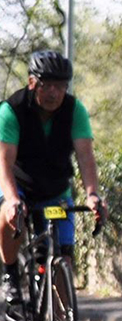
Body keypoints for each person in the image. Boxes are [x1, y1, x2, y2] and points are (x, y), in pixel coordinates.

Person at [0, 50, 107, 305]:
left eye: (60, 86)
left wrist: (92, 194)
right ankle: (10, 275)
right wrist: (14, 200)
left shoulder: (74, 110)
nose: (53, 93)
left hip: (55, 189)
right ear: (32, 83)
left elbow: (85, 157)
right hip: (19, 183)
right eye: (47, 85)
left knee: (63, 258)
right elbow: (4, 162)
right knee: (9, 215)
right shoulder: (11, 110)